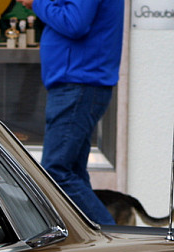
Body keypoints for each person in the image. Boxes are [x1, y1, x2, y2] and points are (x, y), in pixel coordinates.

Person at [19, 0, 122, 225]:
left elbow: (75, 24)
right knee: (71, 172)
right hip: (78, 82)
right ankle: (98, 239)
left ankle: (110, 238)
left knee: (56, 173)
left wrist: (37, 3)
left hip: (78, 82)